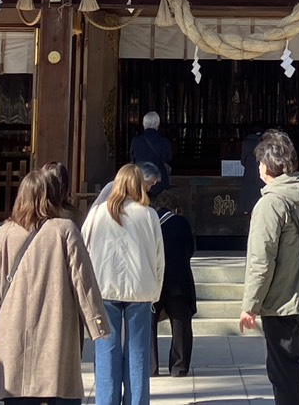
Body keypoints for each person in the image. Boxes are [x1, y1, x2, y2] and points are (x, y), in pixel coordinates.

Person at [0, 166, 110, 405]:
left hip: (13, 336)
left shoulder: (5, 233)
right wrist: (98, 325)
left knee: (18, 393)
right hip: (56, 331)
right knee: (59, 389)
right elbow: (83, 284)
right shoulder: (64, 230)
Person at [239, 129, 299, 405]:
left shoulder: (271, 203)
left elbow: (261, 260)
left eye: (260, 163)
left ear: (267, 166)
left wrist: (250, 304)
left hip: (280, 301)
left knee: (284, 373)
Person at [82, 163, 164, 405]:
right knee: (138, 354)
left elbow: (83, 247)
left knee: (106, 350)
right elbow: (159, 257)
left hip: (104, 288)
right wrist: (155, 291)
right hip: (140, 289)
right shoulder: (149, 214)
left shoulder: (97, 212)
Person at [148, 190, 196, 378]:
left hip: (154, 278)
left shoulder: (149, 221)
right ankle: (178, 366)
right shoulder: (181, 223)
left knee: (149, 324)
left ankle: (150, 366)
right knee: (180, 324)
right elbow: (189, 250)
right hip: (178, 279)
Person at [129, 112, 173, 195]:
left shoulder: (136, 141)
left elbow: (132, 158)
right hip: (159, 180)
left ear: (144, 124)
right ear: (157, 124)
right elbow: (169, 158)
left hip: (140, 179)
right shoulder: (164, 142)